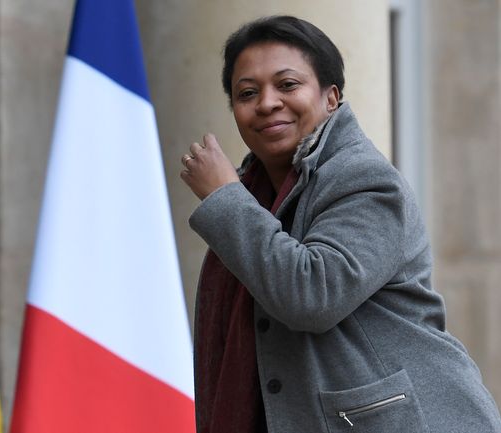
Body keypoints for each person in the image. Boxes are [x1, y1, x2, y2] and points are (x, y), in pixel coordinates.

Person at [180, 15, 501, 433]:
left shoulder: (365, 180)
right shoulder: (256, 195)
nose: (267, 102)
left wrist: (224, 198)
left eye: (288, 84)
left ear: (331, 98)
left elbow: (312, 296)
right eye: (247, 92)